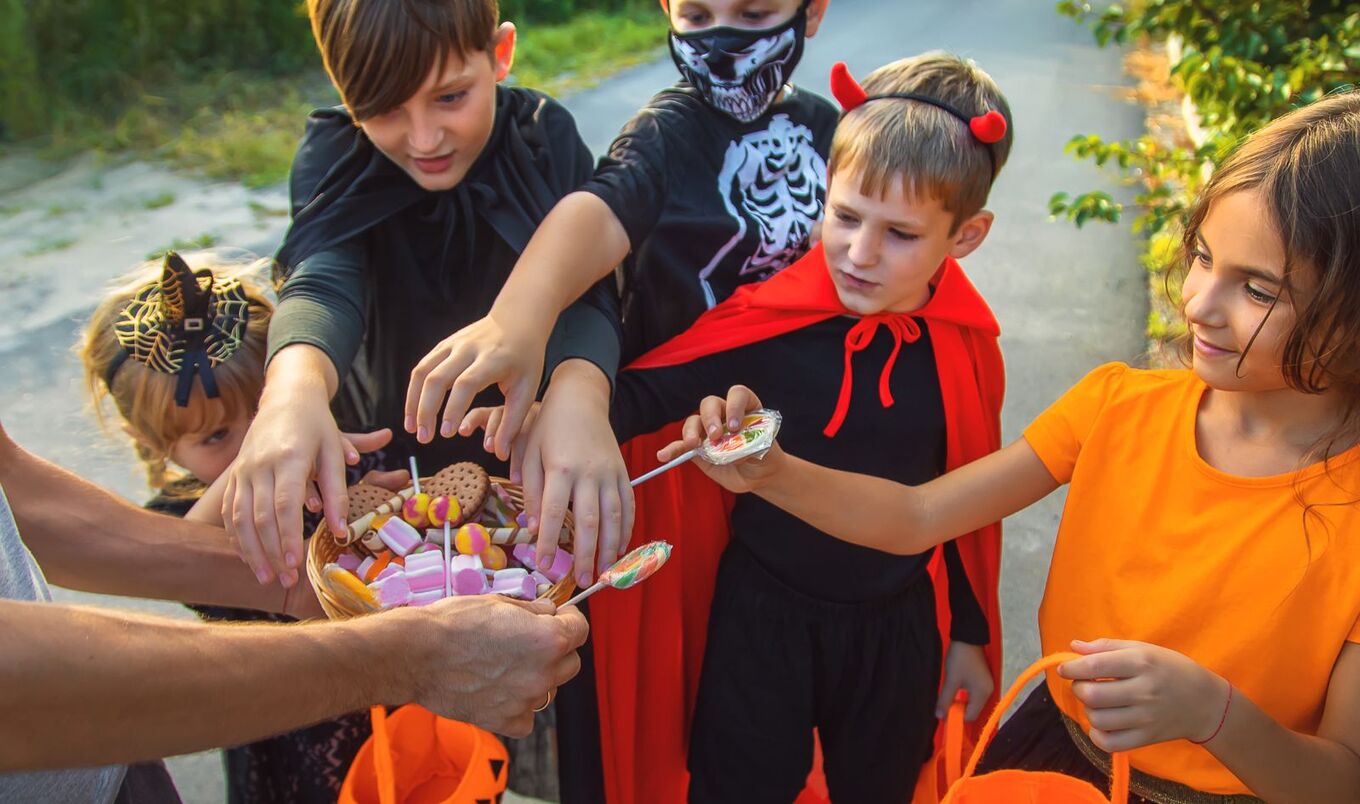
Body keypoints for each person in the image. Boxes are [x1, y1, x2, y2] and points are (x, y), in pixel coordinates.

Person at [667, 91, 1360, 802]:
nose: (1198, 303)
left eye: (1258, 289)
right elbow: (918, 517)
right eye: (1204, 258)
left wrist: (1215, 716)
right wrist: (771, 472)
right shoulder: (1116, 404)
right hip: (1049, 756)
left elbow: (1343, 780)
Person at [471, 52, 1013, 803]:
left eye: (900, 234)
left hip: (896, 630)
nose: (859, 253)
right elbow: (639, 397)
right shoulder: (768, 320)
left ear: (966, 235)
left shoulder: (965, 350)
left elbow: (967, 510)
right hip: (761, 622)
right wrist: (554, 409)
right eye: (846, 216)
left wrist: (970, 637)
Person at [0, 418, 588, 802]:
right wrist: (408, 656)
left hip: (112, 773)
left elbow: (24, 498)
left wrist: (299, 585)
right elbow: (19, 694)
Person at [78, 251, 412, 802]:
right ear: (154, 443)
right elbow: (190, 562)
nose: (260, 443)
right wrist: (263, 449)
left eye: (265, 409)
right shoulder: (175, 519)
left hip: (394, 699)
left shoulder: (334, 456)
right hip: (291, 725)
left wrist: (381, 514)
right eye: (216, 437)